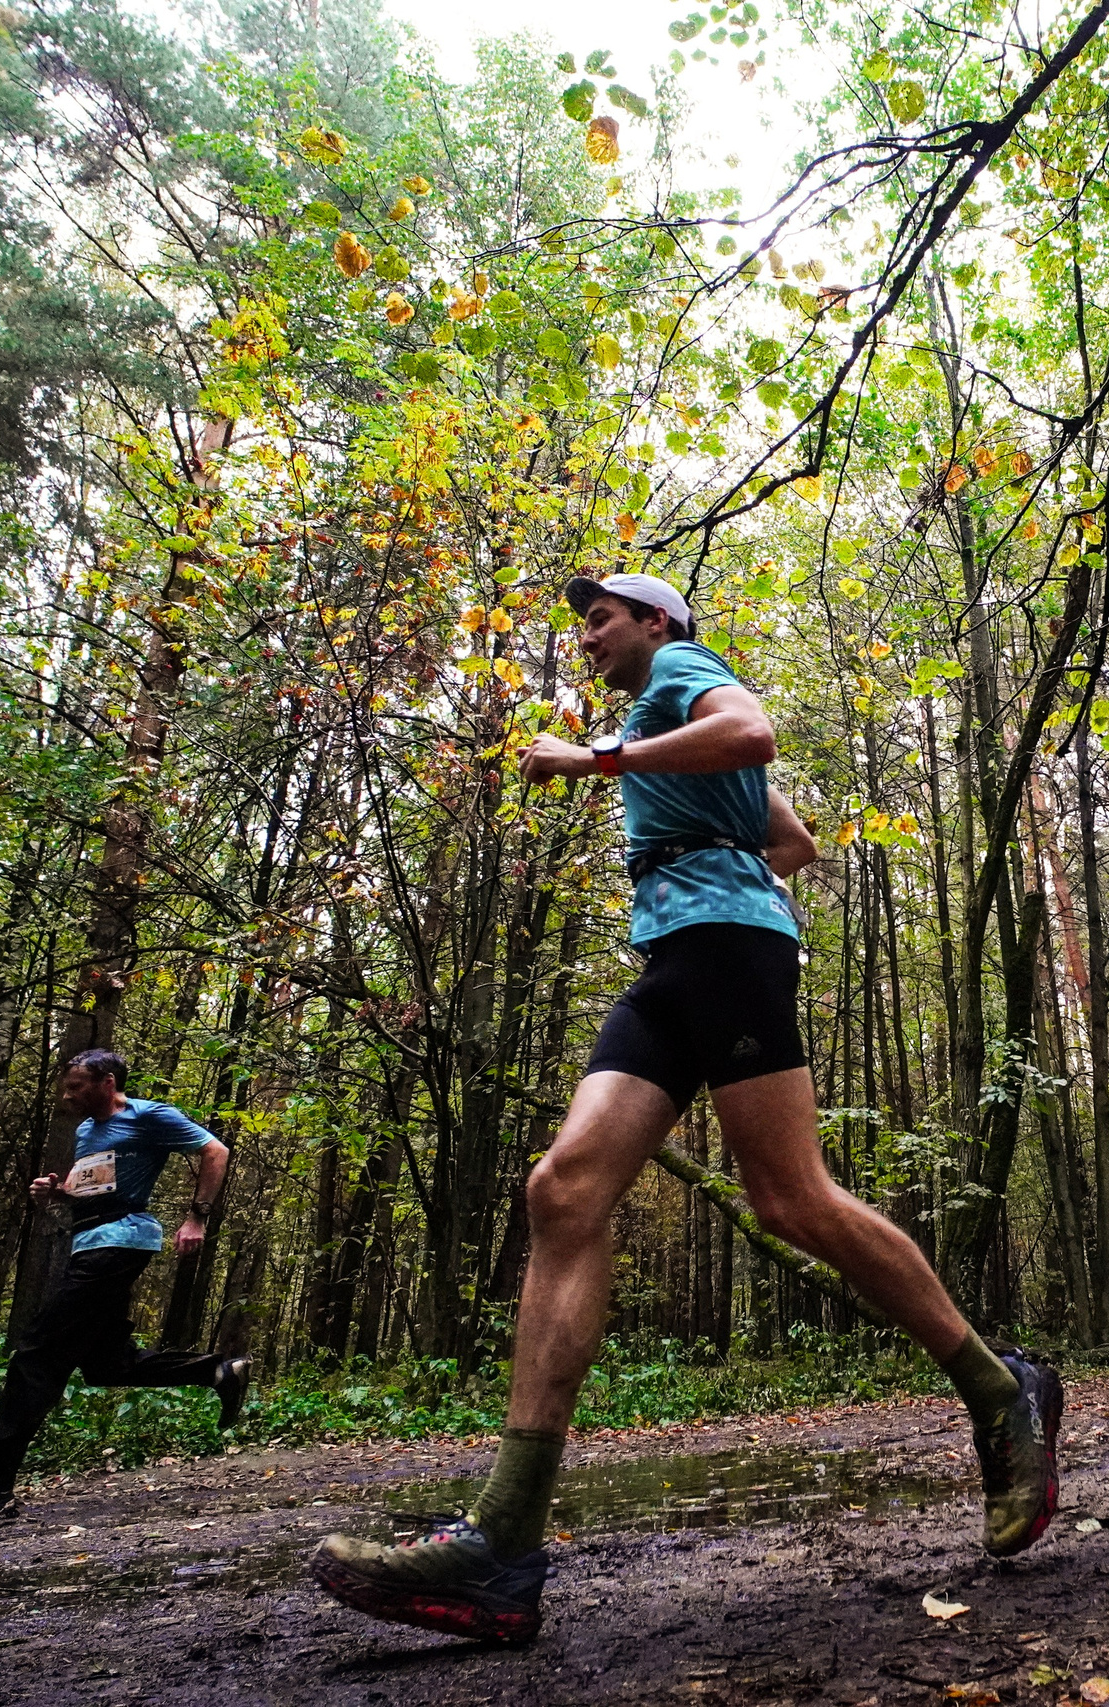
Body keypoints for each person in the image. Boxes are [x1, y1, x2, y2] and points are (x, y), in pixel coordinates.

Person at [309, 570, 1062, 1643]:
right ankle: (502, 1543)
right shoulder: (658, 711)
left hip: (723, 950)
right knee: (564, 1190)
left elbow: (752, 736)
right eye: (585, 626)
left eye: (600, 619)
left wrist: (595, 760)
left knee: (792, 1199)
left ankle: (999, 1390)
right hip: (679, 952)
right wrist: (724, 851)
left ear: (655, 622)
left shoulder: (678, 669)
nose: (588, 639)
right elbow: (789, 839)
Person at [0, 1049, 251, 1521]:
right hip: (88, 1239)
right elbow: (96, 1186)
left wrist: (196, 1217)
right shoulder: (85, 1131)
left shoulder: (149, 1115)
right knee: (106, 1364)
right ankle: (216, 1372)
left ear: (107, 1081)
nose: (67, 1093)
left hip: (121, 1241)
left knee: (37, 1354)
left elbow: (215, 1150)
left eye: (77, 1084)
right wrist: (57, 1193)